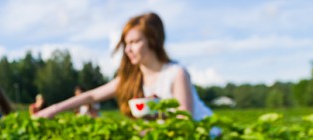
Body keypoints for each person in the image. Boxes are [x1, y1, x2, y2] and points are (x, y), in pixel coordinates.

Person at [34, 12, 212, 121]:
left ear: (153, 40)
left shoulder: (176, 73)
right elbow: (92, 95)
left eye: (135, 42)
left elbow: (185, 120)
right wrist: (52, 110)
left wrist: (157, 116)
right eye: (126, 43)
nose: (128, 49)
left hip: (202, 137)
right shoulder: (133, 78)